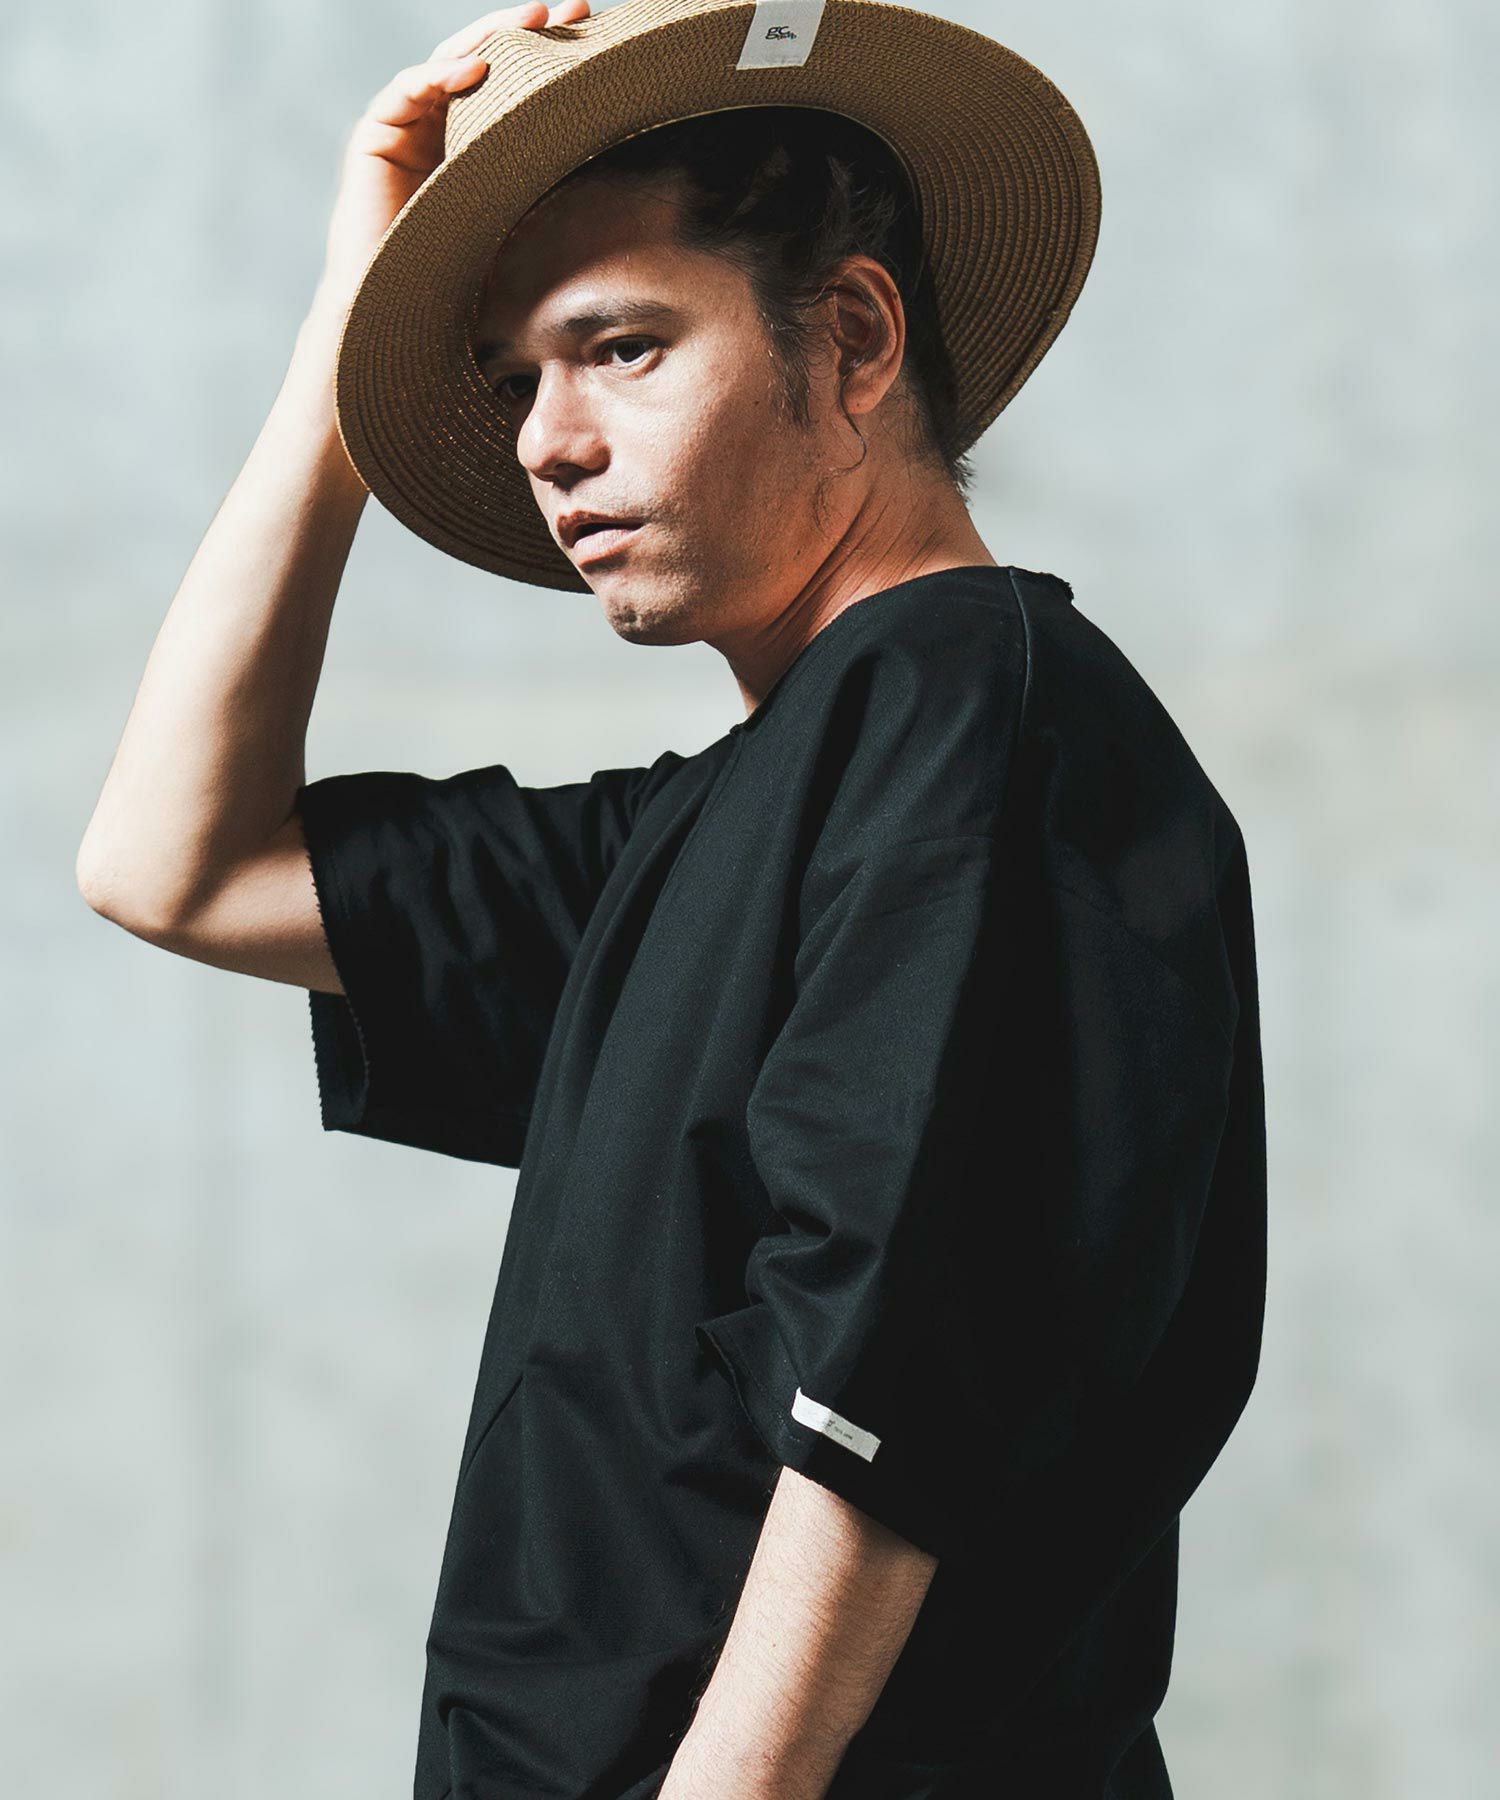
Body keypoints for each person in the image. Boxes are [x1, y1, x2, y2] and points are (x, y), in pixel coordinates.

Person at [77, 4, 1267, 1796]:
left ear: (853, 337)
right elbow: (174, 862)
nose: (547, 443)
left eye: (620, 348)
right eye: (511, 382)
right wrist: (347, 331)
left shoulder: (970, 709)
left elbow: (902, 1364)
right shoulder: (713, 821)